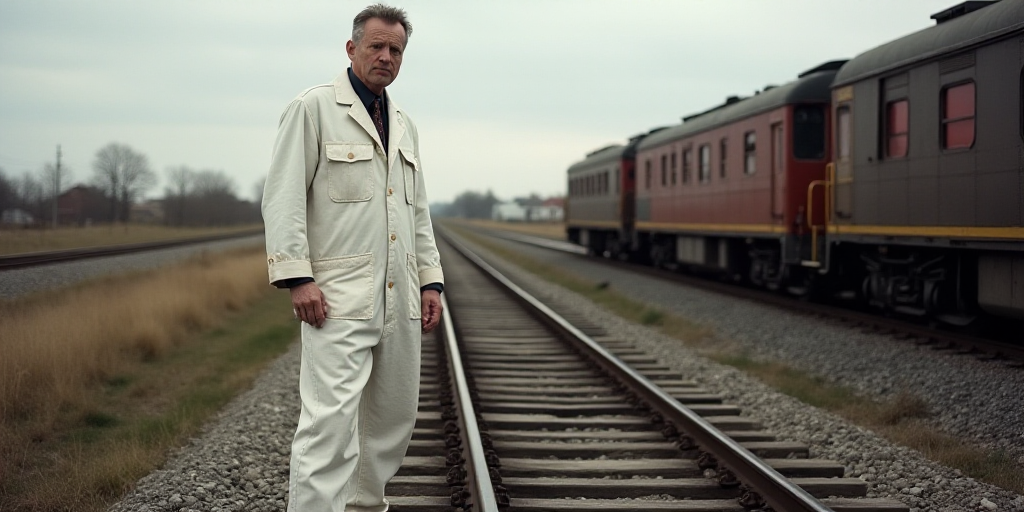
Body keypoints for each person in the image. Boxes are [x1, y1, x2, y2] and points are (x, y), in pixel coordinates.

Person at [261, 4, 443, 511]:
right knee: (328, 428)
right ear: (352, 48)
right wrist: (297, 277)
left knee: (390, 424)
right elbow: (283, 197)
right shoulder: (314, 108)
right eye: (377, 46)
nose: (386, 57)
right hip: (337, 300)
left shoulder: (404, 123)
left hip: (399, 299)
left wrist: (430, 282)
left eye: (396, 50)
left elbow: (418, 212)